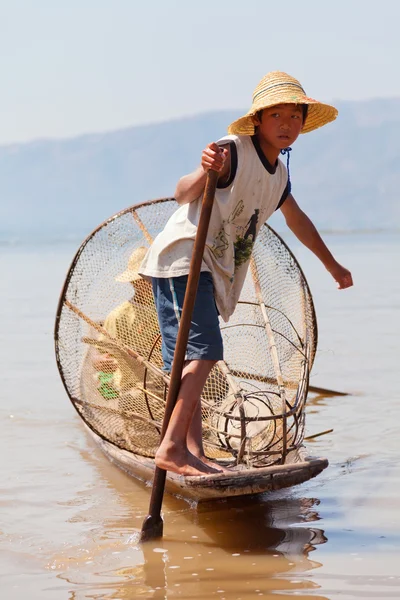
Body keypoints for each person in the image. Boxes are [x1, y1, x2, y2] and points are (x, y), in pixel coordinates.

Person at [139, 71, 353, 477]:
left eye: (294, 117)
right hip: (183, 260)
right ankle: (171, 448)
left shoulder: (280, 175)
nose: (286, 125)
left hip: (211, 268)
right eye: (277, 116)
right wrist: (206, 170)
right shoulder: (232, 151)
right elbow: (184, 193)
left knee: (189, 363)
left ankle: (191, 453)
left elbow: (298, 220)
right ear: (258, 120)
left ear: (304, 123)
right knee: (204, 353)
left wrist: (332, 264)